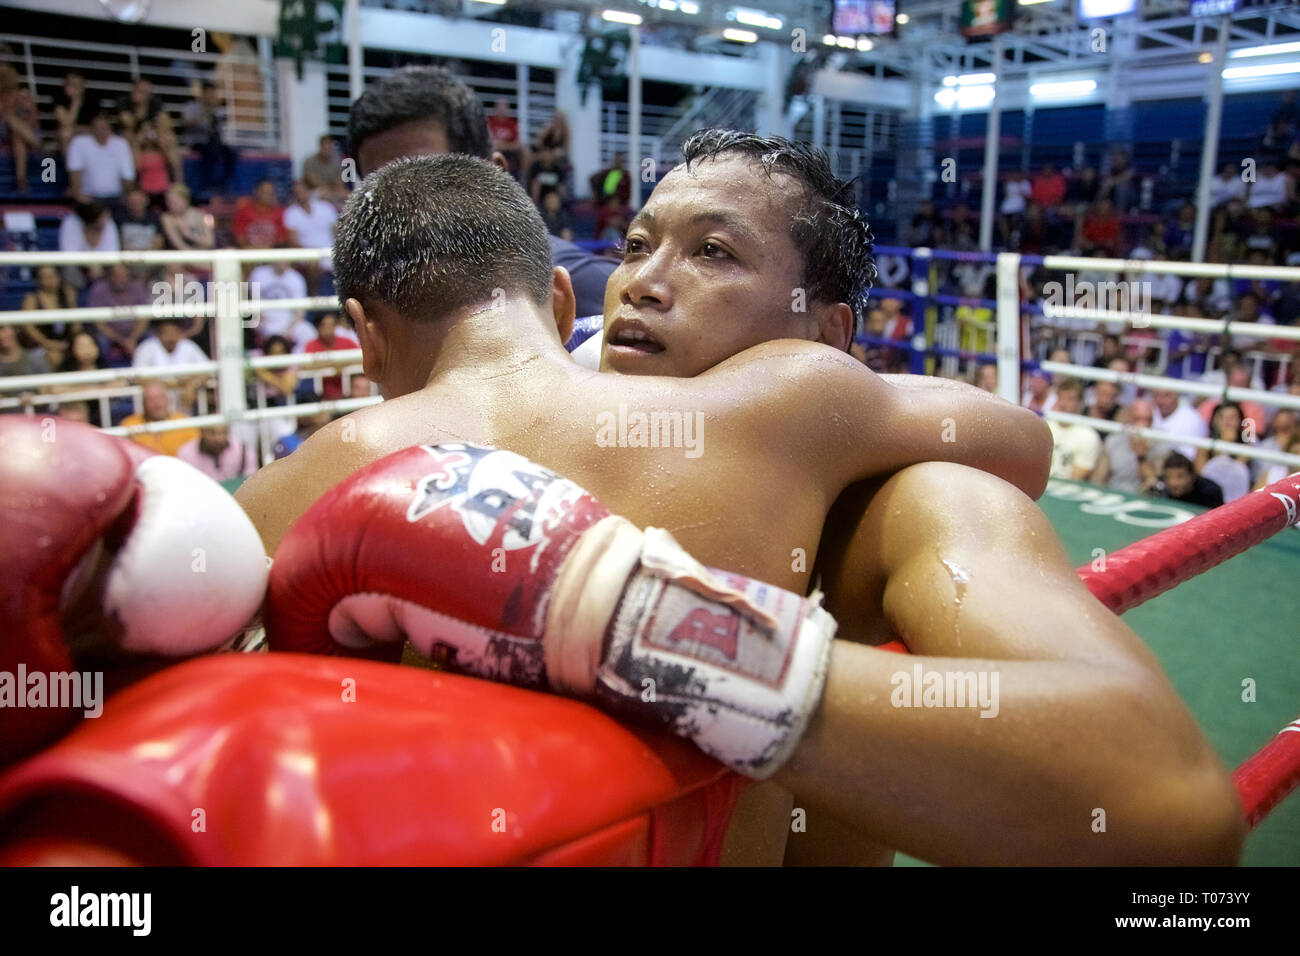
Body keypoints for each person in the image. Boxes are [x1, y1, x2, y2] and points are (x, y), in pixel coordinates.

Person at [235, 147, 1242, 865]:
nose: (646, 282)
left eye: (714, 251)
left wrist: (625, 618)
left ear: (826, 331)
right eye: (634, 243)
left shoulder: (898, 494)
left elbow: (1169, 803)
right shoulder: (358, 477)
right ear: (565, 301)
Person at [346, 65, 615, 319]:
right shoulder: (387, 305)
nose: (404, 211)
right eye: (382, 193)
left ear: (494, 176)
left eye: (425, 183)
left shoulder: (592, 293)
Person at [66, 112, 135, 209]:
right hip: (89, 197)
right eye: (98, 128)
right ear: (91, 129)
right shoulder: (79, 142)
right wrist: (78, 195)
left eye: (104, 128)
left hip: (115, 198)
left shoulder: (121, 144)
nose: (101, 131)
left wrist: (126, 197)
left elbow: (127, 176)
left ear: (110, 129)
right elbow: (74, 171)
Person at [87, 262, 150, 365]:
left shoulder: (137, 286)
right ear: (110, 275)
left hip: (136, 334)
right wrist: (122, 341)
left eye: (123, 274)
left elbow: (144, 318)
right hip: (111, 336)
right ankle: (111, 373)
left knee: (151, 339)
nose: (120, 278)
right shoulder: (99, 289)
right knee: (101, 342)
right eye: (116, 274)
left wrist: (132, 339)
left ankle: (146, 372)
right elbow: (99, 323)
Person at [1090, 399, 1157, 494]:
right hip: (1113, 495)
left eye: (1147, 420)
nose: (1143, 425)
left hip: (1142, 499)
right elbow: (1098, 478)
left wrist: (1142, 458)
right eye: (1137, 419)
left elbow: (1153, 487)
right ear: (1129, 418)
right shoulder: (1113, 441)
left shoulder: (1160, 446)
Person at [182, 81, 237, 194]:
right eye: (208, 93)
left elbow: (219, 130)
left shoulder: (218, 109)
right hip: (197, 142)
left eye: (213, 93)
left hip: (214, 142)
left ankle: (224, 184)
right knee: (210, 151)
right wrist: (205, 112)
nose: (211, 96)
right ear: (203, 94)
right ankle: (206, 185)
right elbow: (186, 123)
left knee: (231, 153)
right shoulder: (192, 107)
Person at [120, 380, 200, 456]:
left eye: (160, 398)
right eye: (150, 400)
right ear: (143, 403)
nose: (157, 404)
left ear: (167, 399)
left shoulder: (184, 422)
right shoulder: (129, 424)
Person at [1045, 378, 1102, 481]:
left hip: (1065, 488)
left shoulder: (1088, 435)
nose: (1063, 404)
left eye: (1070, 399)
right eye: (1061, 397)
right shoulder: (1045, 426)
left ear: (1080, 403)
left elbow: (1077, 478)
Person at [19, 265, 80, 361]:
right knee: (54, 357)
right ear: (39, 279)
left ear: (59, 277)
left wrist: (75, 340)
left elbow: (76, 323)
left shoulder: (68, 294)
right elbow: (28, 328)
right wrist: (47, 343)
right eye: (44, 277)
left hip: (66, 341)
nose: (49, 280)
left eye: (52, 276)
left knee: (82, 350)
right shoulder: (32, 299)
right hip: (40, 344)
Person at [1195, 402, 1252, 504]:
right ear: (1214, 421)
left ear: (1240, 421)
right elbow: (1204, 475)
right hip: (1209, 501)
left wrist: (1229, 442)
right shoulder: (1204, 445)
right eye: (1222, 417)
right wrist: (1222, 445)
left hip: (1237, 502)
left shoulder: (1248, 446)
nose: (1227, 422)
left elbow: (1237, 476)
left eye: (1232, 417)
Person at [301, 312, 358, 400]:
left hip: (348, 393)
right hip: (321, 396)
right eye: (325, 326)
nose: (329, 329)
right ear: (317, 327)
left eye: (332, 325)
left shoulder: (346, 342)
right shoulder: (311, 345)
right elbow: (306, 365)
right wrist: (333, 365)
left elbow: (360, 358)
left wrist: (342, 365)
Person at [177, 425, 257, 482]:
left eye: (224, 432)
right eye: (212, 433)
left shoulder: (243, 450)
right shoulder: (185, 453)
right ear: (202, 432)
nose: (218, 438)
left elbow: (251, 479)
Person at [233, 180, 286, 250]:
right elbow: (240, 238)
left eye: (271, 193)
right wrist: (256, 248)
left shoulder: (280, 212)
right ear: (256, 192)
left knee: (283, 260)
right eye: (265, 192)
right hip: (250, 251)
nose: (268, 195)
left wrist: (268, 248)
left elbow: (282, 239)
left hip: (273, 251)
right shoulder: (244, 212)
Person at [1158, 451, 1223, 509]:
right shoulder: (1160, 488)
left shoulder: (1210, 492)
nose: (1173, 483)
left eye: (1180, 476)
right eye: (1168, 477)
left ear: (1192, 476)